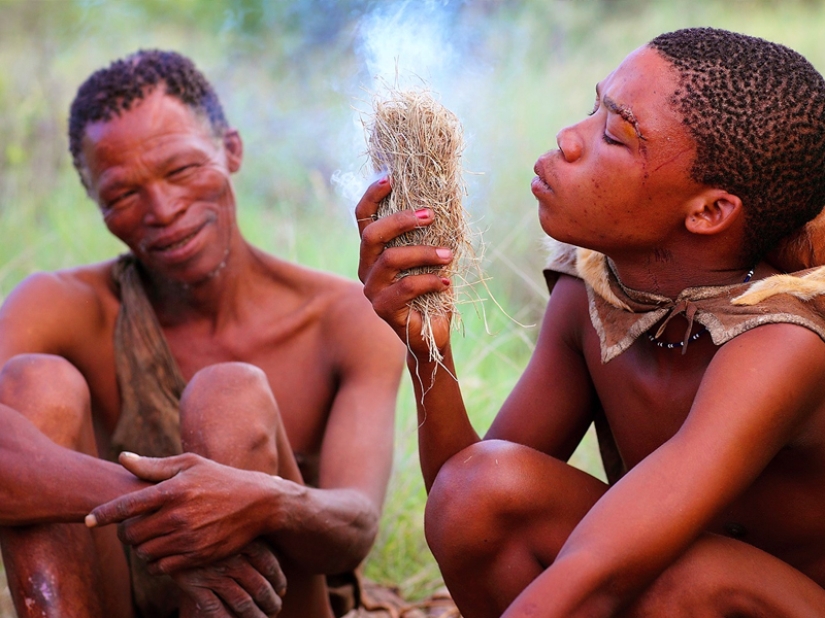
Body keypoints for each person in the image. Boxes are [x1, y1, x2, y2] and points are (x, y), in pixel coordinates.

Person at [355, 27, 825, 617]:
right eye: (592, 106)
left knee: (691, 582)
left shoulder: (782, 340)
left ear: (709, 211)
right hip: (657, 582)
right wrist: (427, 346)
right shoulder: (592, 294)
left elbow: (603, 567)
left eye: (613, 135)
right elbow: (469, 506)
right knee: (477, 490)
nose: (569, 138)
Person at [0, 49, 404, 618]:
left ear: (230, 149)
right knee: (33, 384)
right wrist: (174, 503)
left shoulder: (342, 319)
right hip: (111, 598)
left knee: (229, 396)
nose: (163, 209)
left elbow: (354, 529)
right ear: (96, 203)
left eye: (182, 169)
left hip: (275, 602)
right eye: (122, 195)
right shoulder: (63, 307)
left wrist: (260, 503)